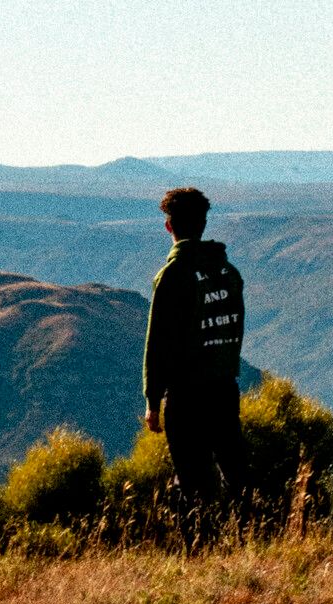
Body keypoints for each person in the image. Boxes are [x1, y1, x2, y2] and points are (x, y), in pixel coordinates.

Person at [141, 187, 247, 541]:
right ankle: (245, 540)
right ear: (203, 223)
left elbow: (157, 343)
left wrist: (152, 400)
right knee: (234, 471)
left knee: (191, 479)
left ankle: (199, 549)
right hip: (225, 388)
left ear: (169, 226)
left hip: (187, 395)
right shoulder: (228, 272)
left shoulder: (173, 275)